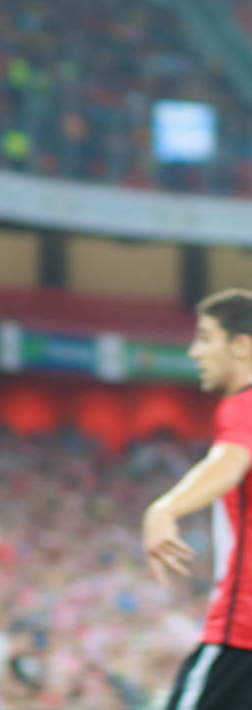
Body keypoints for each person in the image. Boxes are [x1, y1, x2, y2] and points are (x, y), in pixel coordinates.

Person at [143, 288, 252, 710]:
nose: (194, 352)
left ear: (241, 345)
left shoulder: (244, 405)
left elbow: (229, 461)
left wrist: (165, 508)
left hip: (241, 642)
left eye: (206, 338)